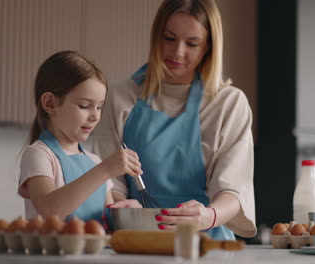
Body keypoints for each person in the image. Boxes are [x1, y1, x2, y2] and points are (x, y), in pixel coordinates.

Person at [92, 0, 256, 240]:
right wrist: (125, 207)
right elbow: (110, 182)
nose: (178, 52)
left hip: (206, 243)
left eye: (192, 43)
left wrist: (206, 216)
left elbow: (233, 191)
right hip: (136, 239)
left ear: (209, 46)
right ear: (156, 36)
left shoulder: (228, 103)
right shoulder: (118, 96)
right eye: (169, 39)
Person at [18, 51, 142, 222]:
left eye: (99, 107)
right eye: (84, 106)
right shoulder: (39, 154)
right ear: (50, 104)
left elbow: (106, 221)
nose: (95, 116)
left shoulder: (95, 162)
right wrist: (105, 170)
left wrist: (125, 210)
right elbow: (49, 210)